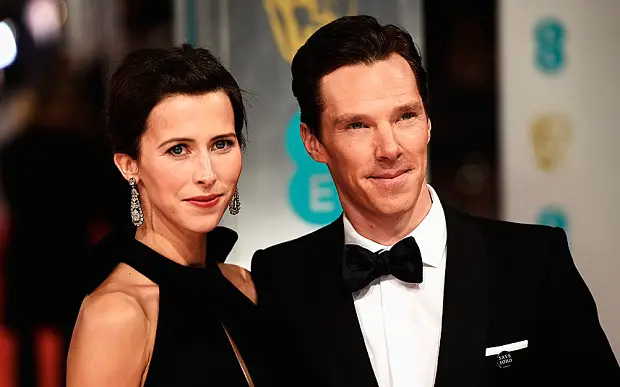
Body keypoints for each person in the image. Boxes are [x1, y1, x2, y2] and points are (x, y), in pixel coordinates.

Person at [250, 15, 620, 387]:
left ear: (428, 121)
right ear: (313, 142)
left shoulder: (535, 261)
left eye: (406, 116)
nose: (390, 148)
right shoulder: (282, 279)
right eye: (358, 125)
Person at [67, 44, 262, 387]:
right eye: (178, 149)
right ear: (129, 166)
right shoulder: (116, 314)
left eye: (221, 144)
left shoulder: (243, 285)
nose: (207, 173)